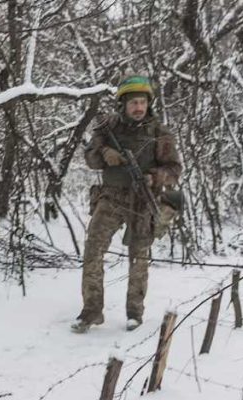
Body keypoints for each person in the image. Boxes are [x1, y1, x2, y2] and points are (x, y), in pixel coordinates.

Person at [73, 75, 183, 333]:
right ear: (123, 104)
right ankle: (91, 312)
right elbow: (90, 158)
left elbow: (175, 169)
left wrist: (154, 176)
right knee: (93, 252)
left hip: (143, 199)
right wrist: (103, 154)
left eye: (142, 102)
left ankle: (135, 313)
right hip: (110, 197)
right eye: (133, 102)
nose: (138, 108)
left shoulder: (159, 133)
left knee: (139, 257)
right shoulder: (107, 128)